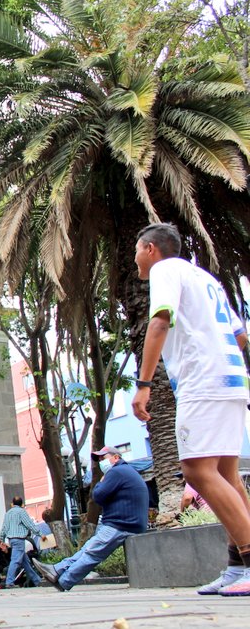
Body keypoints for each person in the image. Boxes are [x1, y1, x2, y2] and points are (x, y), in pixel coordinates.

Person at [131, 223, 250, 596]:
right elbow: (241, 335)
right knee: (227, 475)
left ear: (151, 249)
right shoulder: (205, 278)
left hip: (203, 381)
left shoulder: (166, 271)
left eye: (137, 249)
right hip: (231, 378)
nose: (135, 258)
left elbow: (160, 319)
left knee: (197, 472)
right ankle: (235, 566)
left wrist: (144, 384)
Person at [34, 446, 148, 591]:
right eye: (99, 459)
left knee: (93, 552)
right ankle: (56, 570)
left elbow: (97, 495)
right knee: (88, 548)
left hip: (121, 524)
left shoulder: (116, 472)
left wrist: (101, 482)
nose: (101, 461)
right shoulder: (126, 472)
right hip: (127, 523)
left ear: (116, 457)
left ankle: (65, 581)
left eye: (103, 457)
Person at [0, 497, 41, 589]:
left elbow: (4, 527)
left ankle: (37, 580)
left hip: (11, 540)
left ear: (13, 503)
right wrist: (40, 534)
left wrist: (1, 539)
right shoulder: (22, 512)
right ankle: (9, 582)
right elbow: (29, 524)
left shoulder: (8, 513)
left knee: (25, 562)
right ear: (22, 504)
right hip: (19, 539)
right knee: (16, 560)